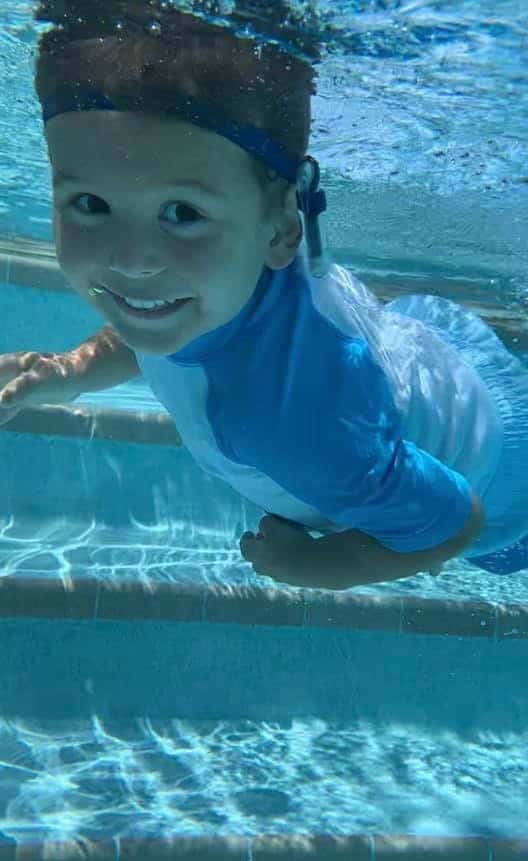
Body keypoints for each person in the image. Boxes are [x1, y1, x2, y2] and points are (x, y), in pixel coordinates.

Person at [1, 1, 527, 587]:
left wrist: (314, 565)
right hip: (423, 358)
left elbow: (453, 523)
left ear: (280, 229)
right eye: (90, 205)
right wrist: (74, 372)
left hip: (499, 469)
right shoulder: (195, 290)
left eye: (182, 213)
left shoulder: (287, 425)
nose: (129, 261)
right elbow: (149, 326)